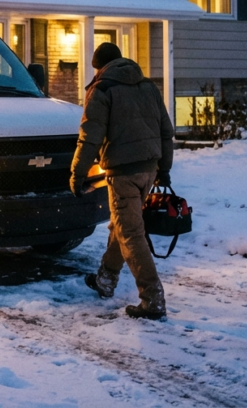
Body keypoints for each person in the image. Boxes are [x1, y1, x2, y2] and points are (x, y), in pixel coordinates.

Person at [70, 42, 174, 320]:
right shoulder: (148, 86)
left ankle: (153, 300)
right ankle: (106, 279)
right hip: (148, 169)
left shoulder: (101, 89)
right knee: (123, 224)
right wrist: (164, 168)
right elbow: (166, 130)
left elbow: (89, 137)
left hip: (123, 172)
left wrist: (77, 174)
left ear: (100, 66)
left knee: (130, 233)